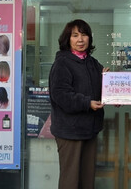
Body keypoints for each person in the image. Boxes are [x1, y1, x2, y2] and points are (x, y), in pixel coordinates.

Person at [49, 19, 106, 189]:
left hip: (90, 130)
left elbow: (101, 91)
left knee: (87, 180)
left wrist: (112, 93)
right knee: (71, 181)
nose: (80, 39)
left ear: (90, 38)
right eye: (75, 35)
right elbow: (61, 95)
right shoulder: (62, 63)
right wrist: (87, 103)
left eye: (84, 35)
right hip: (70, 131)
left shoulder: (93, 63)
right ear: (68, 39)